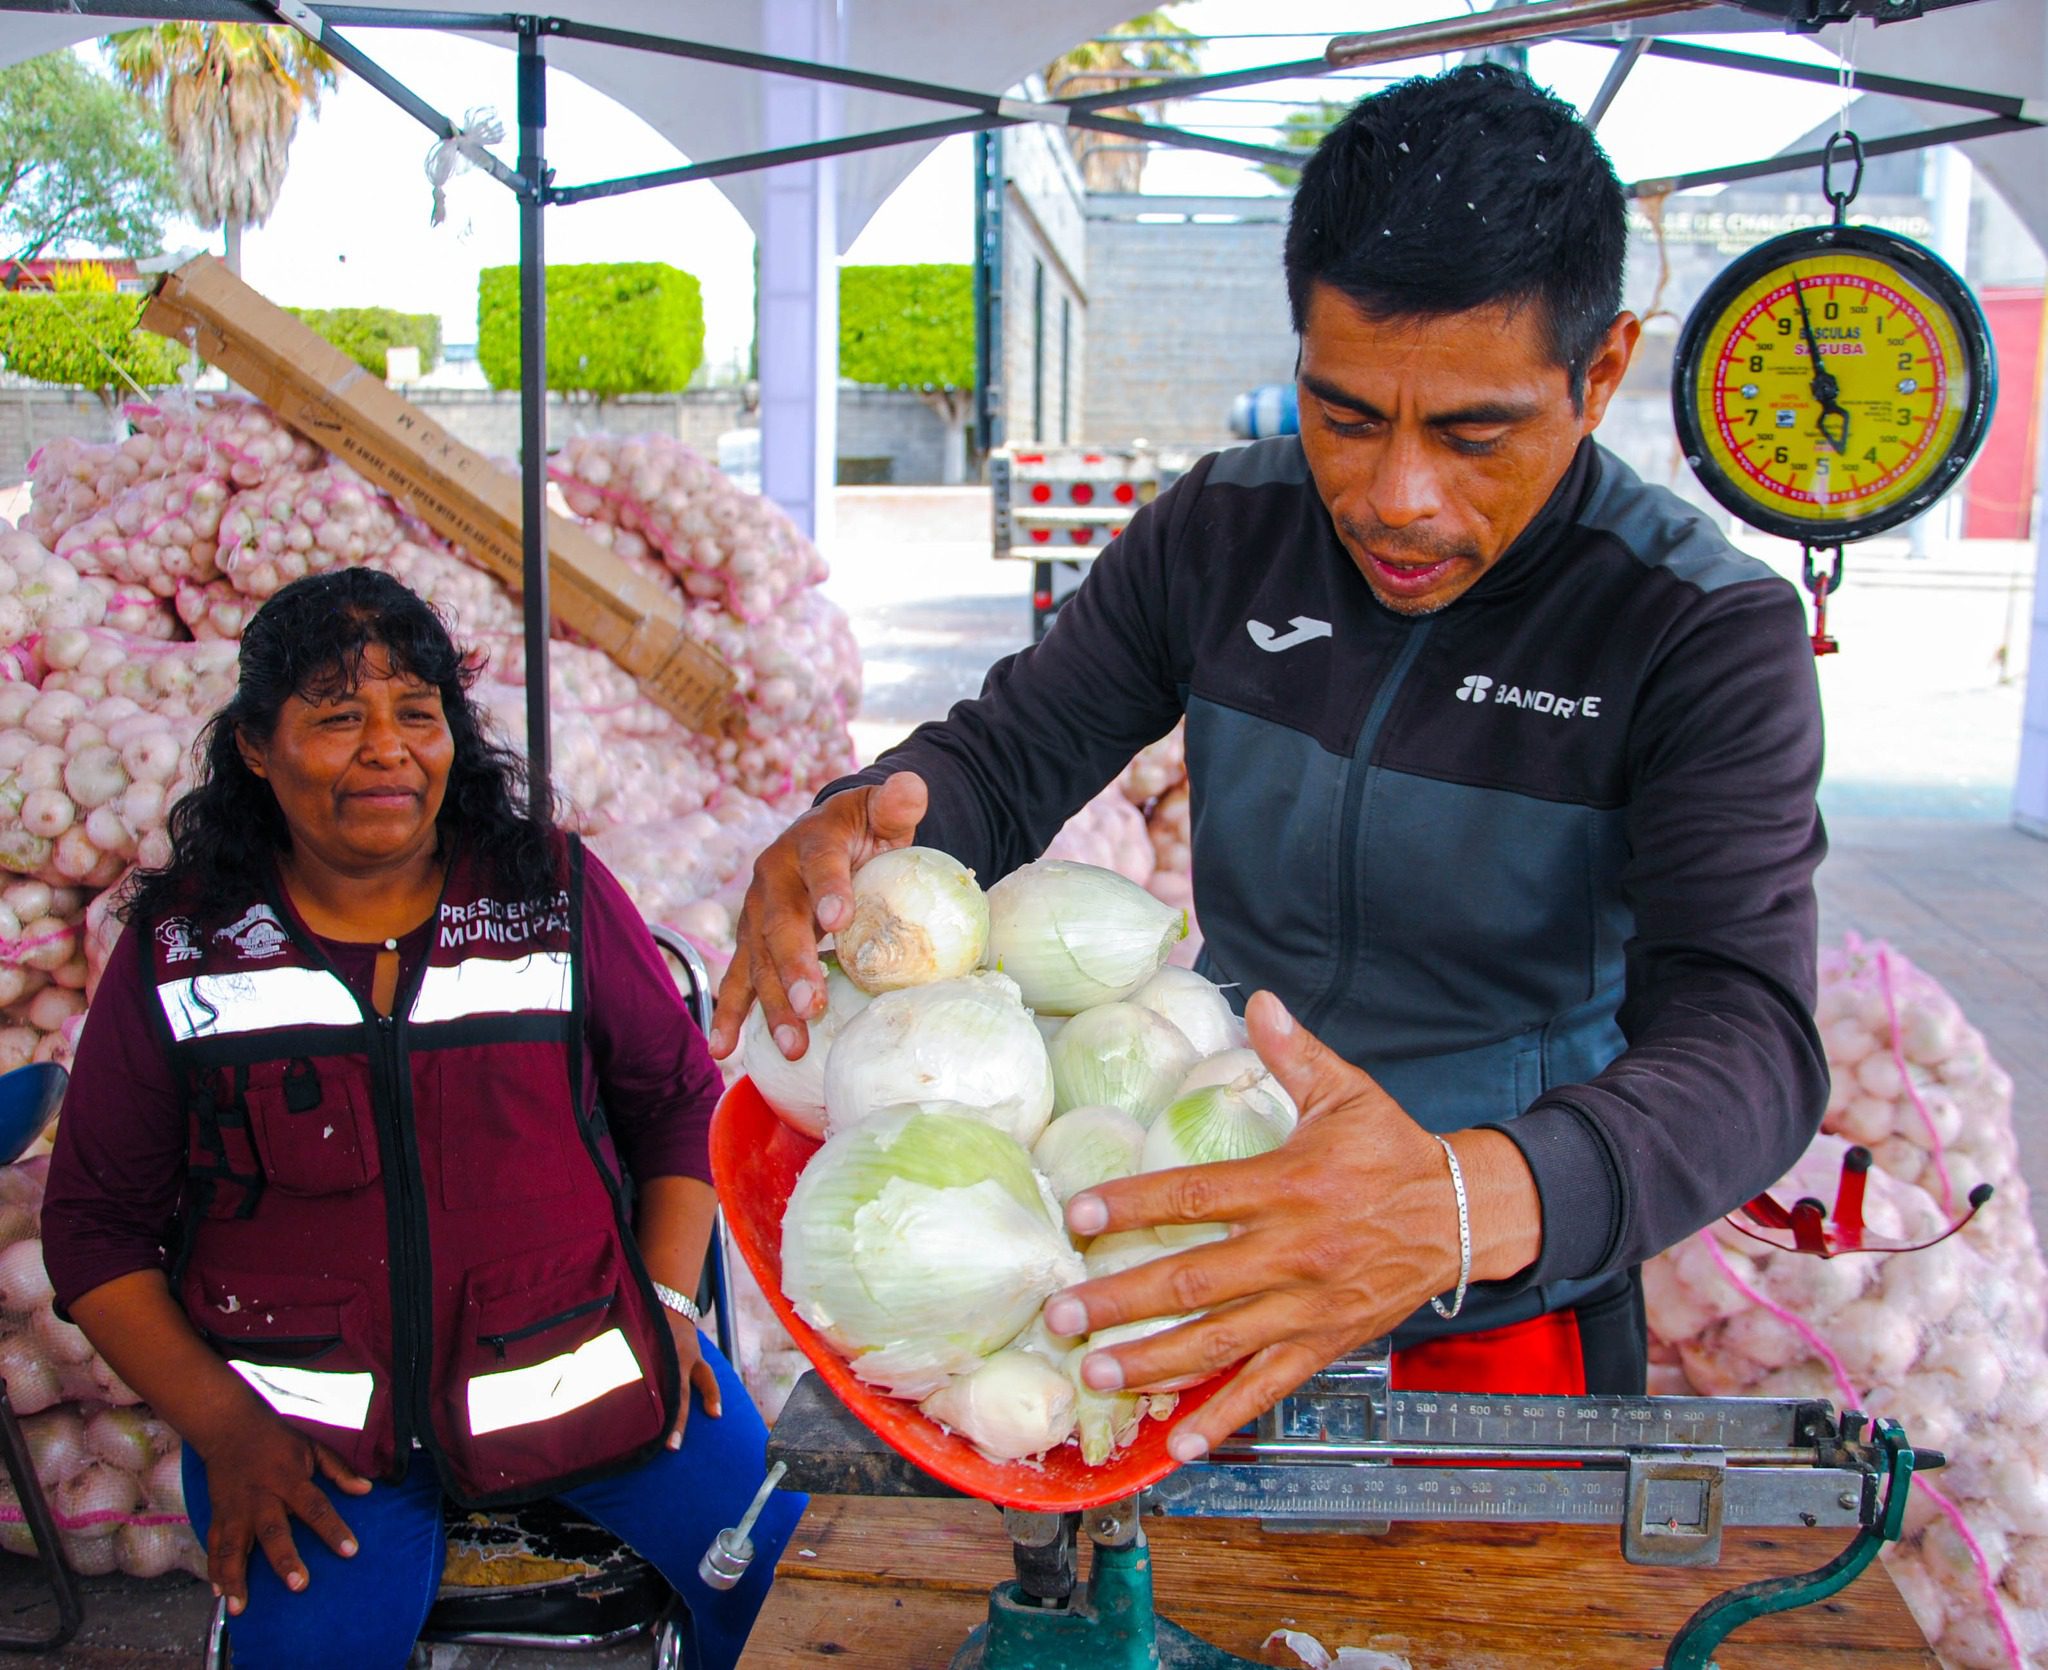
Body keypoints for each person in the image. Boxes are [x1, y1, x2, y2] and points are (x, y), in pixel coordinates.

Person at [708, 65, 1828, 1463]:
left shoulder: (1696, 628)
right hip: (1194, 1238)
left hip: (1492, 1288)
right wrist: (860, 834)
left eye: (1475, 433)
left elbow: (1752, 1036)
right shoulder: (1224, 532)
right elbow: (1011, 749)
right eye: (1345, 415)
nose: (1395, 496)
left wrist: (1460, 1203)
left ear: (1599, 371)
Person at [42, 568, 802, 1670]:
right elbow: (94, 1229)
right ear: (256, 746)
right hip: (311, 1444)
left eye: (416, 712)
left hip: (597, 1371)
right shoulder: (183, 944)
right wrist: (227, 1429)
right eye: (337, 715)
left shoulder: (548, 889)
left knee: (802, 1585)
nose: (387, 748)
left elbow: (677, 1100)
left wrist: (674, 1299)